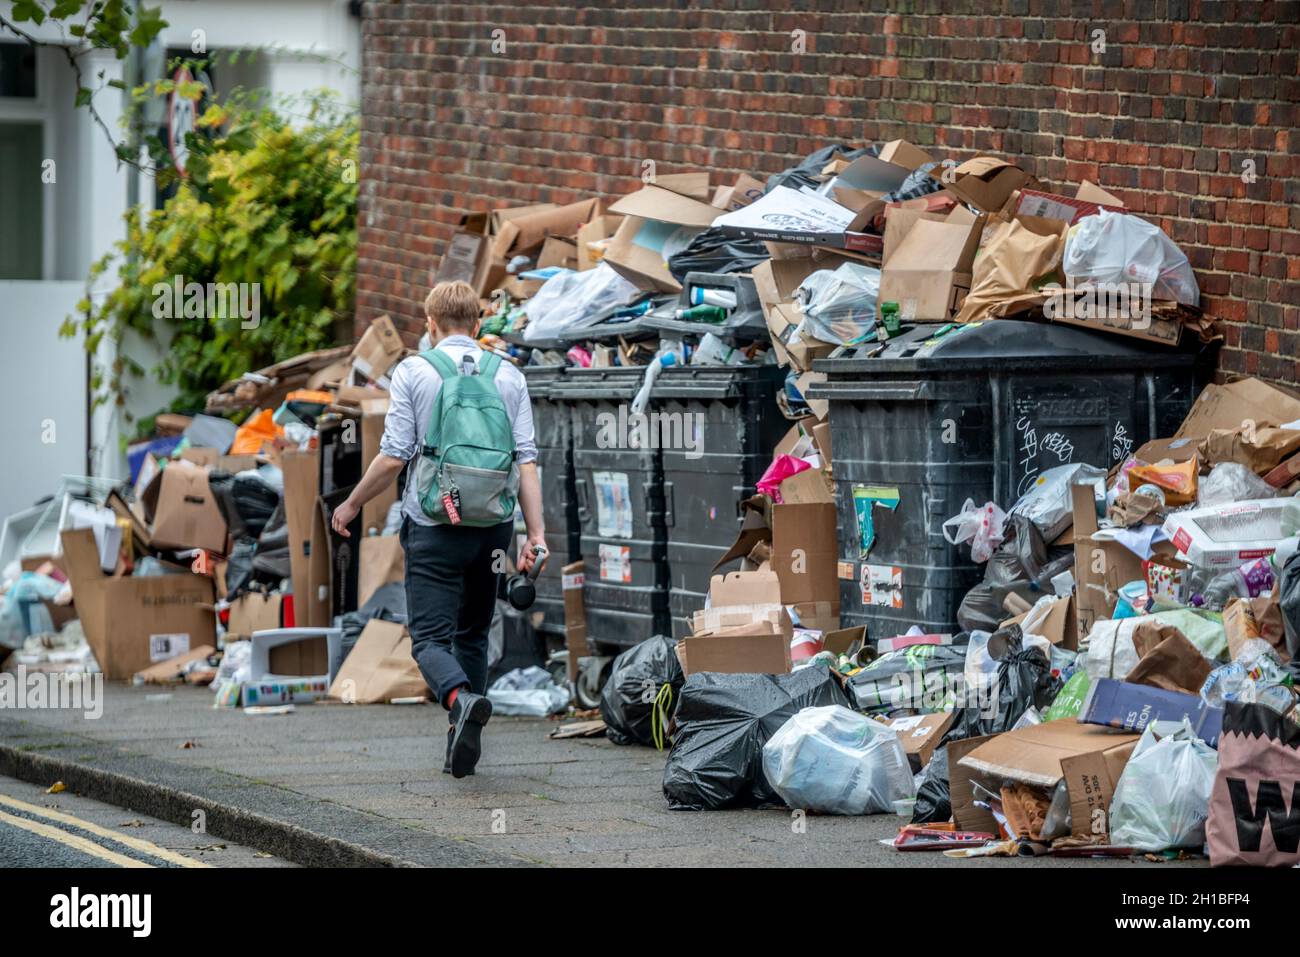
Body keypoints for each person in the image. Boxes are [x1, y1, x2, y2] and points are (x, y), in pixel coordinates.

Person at [331, 280, 546, 778]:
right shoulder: (510, 376)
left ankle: (458, 699)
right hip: (494, 531)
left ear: (430, 324)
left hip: (433, 525)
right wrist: (535, 535)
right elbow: (527, 461)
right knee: (472, 634)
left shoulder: (413, 371)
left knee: (428, 640)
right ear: (477, 324)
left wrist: (351, 504)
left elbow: (392, 457)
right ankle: (461, 739)